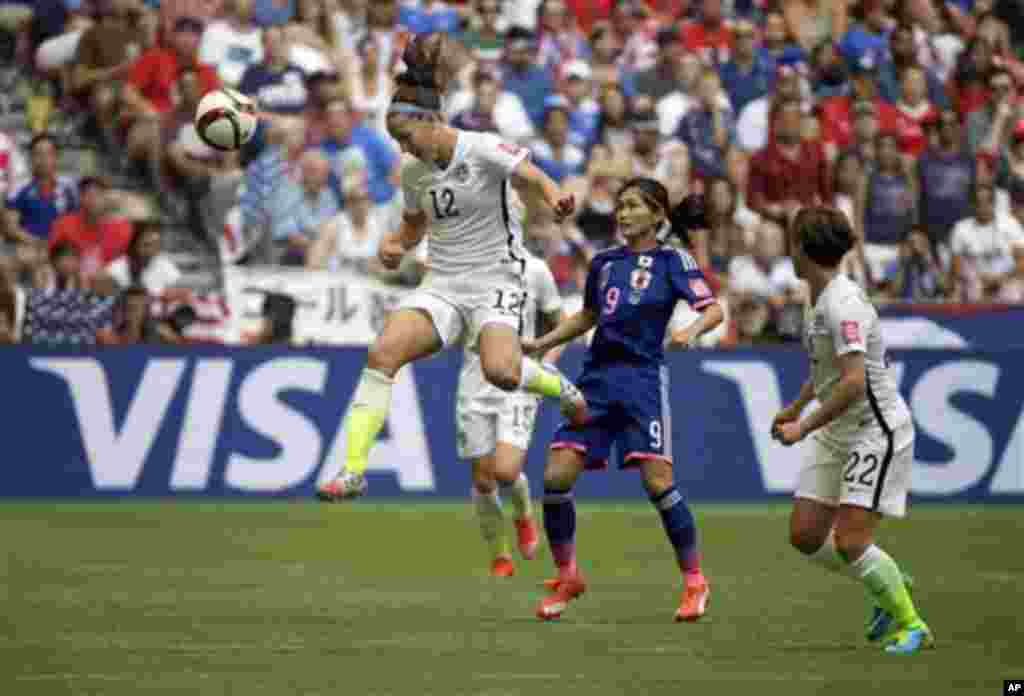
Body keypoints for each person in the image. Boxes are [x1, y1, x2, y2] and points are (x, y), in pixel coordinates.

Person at [317, 32, 581, 502]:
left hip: (498, 278)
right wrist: (395, 245)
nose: (402, 149)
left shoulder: (481, 148)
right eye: (395, 141)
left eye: (405, 137)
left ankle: (562, 389)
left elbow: (532, 175)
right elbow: (414, 227)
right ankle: (353, 470)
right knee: (382, 355)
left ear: (432, 120)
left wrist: (554, 195)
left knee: (503, 371)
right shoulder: (416, 174)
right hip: (442, 283)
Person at [522, 178, 724, 622]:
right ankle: (568, 575)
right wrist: (542, 343)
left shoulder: (674, 260)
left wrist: (690, 331)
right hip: (595, 380)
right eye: (620, 205)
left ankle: (694, 582)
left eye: (633, 206)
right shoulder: (605, 262)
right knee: (555, 476)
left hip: (642, 382)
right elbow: (589, 316)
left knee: (657, 484)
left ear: (656, 215)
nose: (623, 213)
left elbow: (715, 309)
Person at [772, 206, 933, 655]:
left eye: (793, 240)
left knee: (851, 540)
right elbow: (828, 370)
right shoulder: (817, 295)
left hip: (872, 428)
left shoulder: (842, 303)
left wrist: (802, 427)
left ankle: (911, 624)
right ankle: (888, 581)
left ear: (803, 249)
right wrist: (796, 405)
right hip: (837, 425)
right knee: (805, 534)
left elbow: (854, 381)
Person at [460, 249, 563, 577]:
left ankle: (523, 515)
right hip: (475, 383)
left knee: (505, 472)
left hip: (517, 380)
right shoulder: (465, 268)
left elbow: (561, 324)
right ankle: (500, 554)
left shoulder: (535, 269)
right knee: (482, 478)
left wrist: (544, 365)